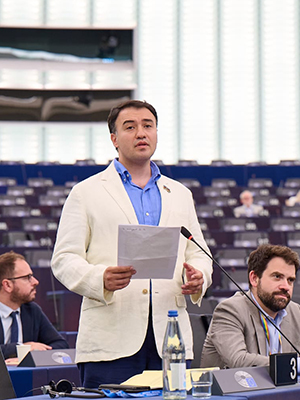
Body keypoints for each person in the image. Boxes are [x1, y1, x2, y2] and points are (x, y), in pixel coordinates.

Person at [51, 100, 213, 388]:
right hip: (110, 339)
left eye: (148, 126)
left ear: (156, 133)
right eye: (130, 127)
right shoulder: (85, 192)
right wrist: (100, 278)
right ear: (114, 139)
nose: (141, 133)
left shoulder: (180, 194)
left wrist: (200, 276)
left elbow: (199, 253)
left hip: (170, 337)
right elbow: (64, 258)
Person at [200, 244, 300, 373]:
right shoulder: (230, 310)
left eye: (290, 280)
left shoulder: (294, 311)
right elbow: (239, 361)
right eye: (277, 276)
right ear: (254, 278)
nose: (285, 286)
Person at [0, 252, 68, 359]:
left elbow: (61, 345)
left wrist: (32, 354)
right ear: (7, 285)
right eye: (27, 277)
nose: (35, 282)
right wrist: (22, 349)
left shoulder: (32, 310)